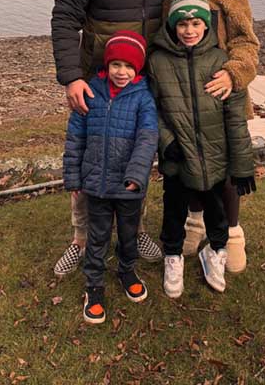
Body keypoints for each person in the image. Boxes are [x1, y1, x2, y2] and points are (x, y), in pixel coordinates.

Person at [51, 0, 168, 276]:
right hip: (97, 82)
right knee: (91, 158)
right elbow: (64, 17)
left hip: (142, 83)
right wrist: (71, 77)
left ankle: (135, 232)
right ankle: (81, 240)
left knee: (138, 156)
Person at [163, 0, 260, 273]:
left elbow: (246, 41)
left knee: (227, 170)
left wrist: (233, 75)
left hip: (221, 93)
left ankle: (231, 235)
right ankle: (194, 225)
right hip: (183, 98)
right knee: (189, 164)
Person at [148, 0, 256, 297]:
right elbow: (151, 109)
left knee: (217, 210)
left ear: (206, 24)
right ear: (173, 25)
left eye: (196, 23)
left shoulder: (221, 63)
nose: (189, 30)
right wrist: (167, 143)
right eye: (182, 24)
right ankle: (172, 255)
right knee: (174, 208)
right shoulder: (158, 62)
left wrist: (242, 166)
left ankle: (216, 250)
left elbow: (236, 120)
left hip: (215, 157)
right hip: (177, 156)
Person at [63, 31, 158, 324]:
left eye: (129, 66)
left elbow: (147, 138)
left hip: (129, 186)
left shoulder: (143, 97)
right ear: (107, 64)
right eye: (116, 64)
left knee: (129, 235)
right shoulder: (91, 92)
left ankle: (127, 270)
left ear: (137, 69)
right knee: (97, 237)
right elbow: (75, 138)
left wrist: (137, 174)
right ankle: (94, 285)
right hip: (96, 184)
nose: (122, 72)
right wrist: (74, 177)